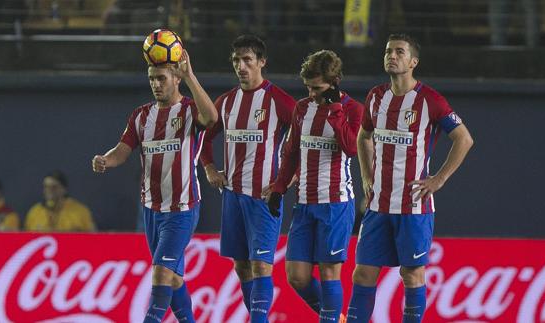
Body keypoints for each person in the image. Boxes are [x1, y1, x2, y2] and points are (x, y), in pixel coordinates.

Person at [346, 34, 474, 322]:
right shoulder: (376, 97)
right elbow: (364, 136)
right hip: (378, 205)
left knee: (412, 273)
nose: (392, 55)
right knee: (363, 272)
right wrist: (366, 175)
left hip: (413, 207)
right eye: (388, 51)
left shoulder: (430, 100)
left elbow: (464, 139)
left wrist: (439, 179)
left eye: (399, 52)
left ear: (413, 61)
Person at [92, 49, 217, 323]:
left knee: (160, 274)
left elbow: (212, 118)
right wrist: (105, 160)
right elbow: (122, 150)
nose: (155, 84)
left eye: (161, 78)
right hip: (151, 209)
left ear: (175, 79)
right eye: (152, 79)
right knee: (172, 279)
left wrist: (191, 76)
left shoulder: (188, 110)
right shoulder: (140, 116)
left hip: (182, 208)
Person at [199, 34, 296, 322]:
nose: (241, 66)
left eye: (247, 60)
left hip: (263, 198)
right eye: (236, 61)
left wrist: (287, 179)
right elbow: (204, 136)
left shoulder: (279, 100)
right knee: (241, 266)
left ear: (262, 62)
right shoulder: (227, 102)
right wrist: (209, 168)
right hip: (233, 196)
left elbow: (306, 138)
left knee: (261, 265)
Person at [265, 50, 364, 323]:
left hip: (335, 203)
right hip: (305, 204)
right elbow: (292, 153)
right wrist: (279, 187)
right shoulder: (302, 108)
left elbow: (351, 148)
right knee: (297, 276)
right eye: (308, 87)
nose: (311, 94)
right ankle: (337, 318)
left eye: (317, 88)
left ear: (334, 83)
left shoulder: (353, 109)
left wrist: (334, 111)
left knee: (330, 273)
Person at [24, 170, 96, 232]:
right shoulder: (35, 212)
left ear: (64, 189)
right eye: (46, 187)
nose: (49, 190)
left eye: (54, 187)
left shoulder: (80, 211)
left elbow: (93, 236)